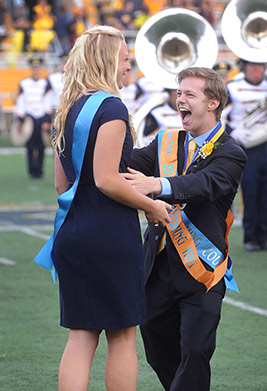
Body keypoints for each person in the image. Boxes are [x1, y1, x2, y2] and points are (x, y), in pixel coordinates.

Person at [34, 25, 171, 391]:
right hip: (109, 233)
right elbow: (107, 179)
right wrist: (151, 207)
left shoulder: (66, 109)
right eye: (126, 59)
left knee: (80, 337)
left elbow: (62, 186)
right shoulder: (111, 107)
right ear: (109, 61)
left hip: (72, 231)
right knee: (123, 336)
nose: (129, 67)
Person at [123, 67, 247, 391]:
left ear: (213, 103)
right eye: (179, 94)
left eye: (189, 95)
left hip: (202, 271)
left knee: (195, 351)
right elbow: (129, 163)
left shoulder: (232, 153)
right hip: (158, 268)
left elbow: (203, 184)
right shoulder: (166, 140)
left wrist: (156, 184)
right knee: (156, 347)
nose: (180, 100)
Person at [222, 59, 267, 251]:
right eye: (252, 65)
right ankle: (251, 237)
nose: (256, 69)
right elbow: (219, 115)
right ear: (244, 67)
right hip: (246, 144)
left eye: (260, 65)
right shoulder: (233, 87)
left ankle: (265, 236)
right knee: (250, 190)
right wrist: (232, 131)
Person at [15, 56, 52, 178]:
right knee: (30, 146)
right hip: (29, 118)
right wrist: (20, 120)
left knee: (41, 145)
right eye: (34, 67)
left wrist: (47, 120)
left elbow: (48, 101)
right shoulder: (24, 83)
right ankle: (31, 171)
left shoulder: (45, 83)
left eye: (38, 67)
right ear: (31, 68)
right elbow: (20, 102)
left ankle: (40, 171)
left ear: (40, 68)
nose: (36, 70)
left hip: (41, 117)